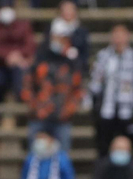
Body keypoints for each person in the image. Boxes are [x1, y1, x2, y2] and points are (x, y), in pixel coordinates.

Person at [23, 22, 87, 151]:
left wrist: (68, 109)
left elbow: (78, 90)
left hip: (62, 118)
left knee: (62, 158)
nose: (58, 41)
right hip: (39, 117)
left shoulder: (73, 63)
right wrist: (35, 107)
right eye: (56, 37)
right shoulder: (39, 58)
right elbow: (27, 85)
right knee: (35, 156)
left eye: (62, 38)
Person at [91, 25, 133, 149]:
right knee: (104, 148)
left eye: (122, 35)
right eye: (116, 35)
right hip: (106, 111)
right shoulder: (102, 57)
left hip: (127, 112)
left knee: (128, 147)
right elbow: (95, 85)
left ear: (128, 36)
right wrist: (95, 110)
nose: (119, 39)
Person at [0, 0, 34, 104]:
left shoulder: (23, 25)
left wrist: (16, 56)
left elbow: (29, 45)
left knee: (22, 81)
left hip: (19, 63)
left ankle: (22, 109)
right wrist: (7, 56)